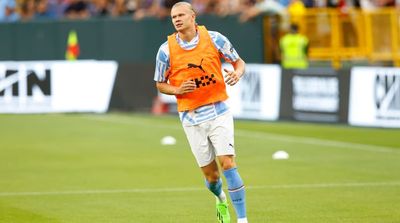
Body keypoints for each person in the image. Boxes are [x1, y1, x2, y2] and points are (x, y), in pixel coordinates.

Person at [153, 2, 248, 223]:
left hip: (219, 111)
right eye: (173, 16)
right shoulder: (165, 50)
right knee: (212, 178)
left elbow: (239, 62)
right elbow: (159, 83)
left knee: (228, 163)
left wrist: (238, 73)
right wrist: (176, 89)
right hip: (191, 117)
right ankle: (220, 197)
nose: (176, 19)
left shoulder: (215, 38)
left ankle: (242, 220)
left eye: (181, 15)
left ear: (193, 16)